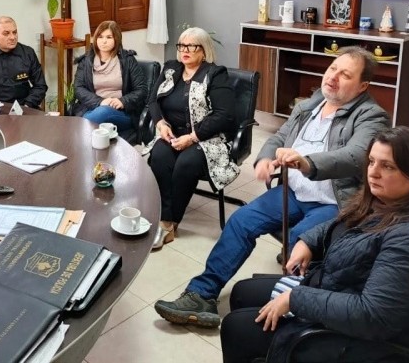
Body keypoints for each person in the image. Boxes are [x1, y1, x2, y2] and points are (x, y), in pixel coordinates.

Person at [155, 46, 391, 326]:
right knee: (241, 221)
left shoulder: (370, 115)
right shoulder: (310, 105)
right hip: (293, 192)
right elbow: (278, 137)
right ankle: (201, 294)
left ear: (363, 85)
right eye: (332, 69)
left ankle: (294, 312)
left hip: (334, 202)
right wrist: (265, 158)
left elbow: (356, 155)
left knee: (302, 239)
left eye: (345, 75)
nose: (333, 77)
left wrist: (306, 161)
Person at [219, 127, 409, 363]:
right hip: (341, 286)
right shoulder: (392, 199)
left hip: (365, 340)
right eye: (372, 161)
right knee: (242, 292)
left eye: (388, 166)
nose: (373, 172)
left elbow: (373, 316)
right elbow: (347, 224)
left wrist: (296, 298)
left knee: (236, 328)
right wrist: (309, 241)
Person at [146, 27, 239, 250]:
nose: (184, 51)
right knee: (158, 157)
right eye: (181, 46)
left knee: (185, 164)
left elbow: (224, 114)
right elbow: (152, 101)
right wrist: (160, 123)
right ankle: (164, 215)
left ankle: (169, 222)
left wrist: (193, 137)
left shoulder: (215, 74)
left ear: (204, 51)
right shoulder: (171, 69)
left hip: (206, 138)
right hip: (172, 133)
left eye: (191, 46)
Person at [72, 20, 147, 135]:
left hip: (121, 112)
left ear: (116, 39)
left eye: (109, 37)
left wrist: (123, 101)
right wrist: (100, 101)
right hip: (91, 108)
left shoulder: (128, 60)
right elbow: (78, 88)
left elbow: (141, 89)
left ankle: (77, 132)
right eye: (100, 37)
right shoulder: (87, 61)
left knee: (104, 112)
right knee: (100, 115)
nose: (104, 41)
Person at [0, 16, 48, 108]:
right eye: (6, 33)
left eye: (14, 32)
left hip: (25, 107)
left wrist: (27, 105)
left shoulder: (28, 53)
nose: (12, 37)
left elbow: (40, 86)